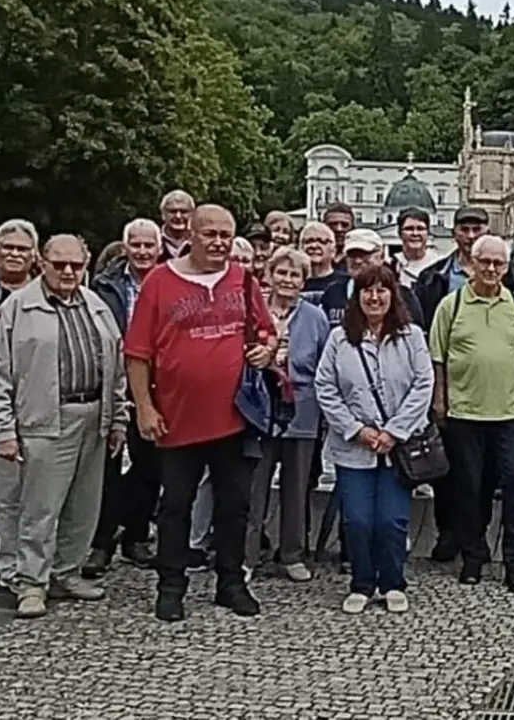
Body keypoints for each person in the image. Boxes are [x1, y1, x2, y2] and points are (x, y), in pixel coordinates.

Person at [125, 205, 275, 622]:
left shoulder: (243, 280)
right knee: (175, 506)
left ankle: (231, 582)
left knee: (235, 504)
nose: (218, 242)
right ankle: (171, 586)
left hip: (235, 418)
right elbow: (137, 354)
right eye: (209, 233)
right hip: (177, 418)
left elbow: (265, 331)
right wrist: (144, 406)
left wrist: (265, 349)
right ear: (190, 233)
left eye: (225, 234)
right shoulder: (159, 282)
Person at [0, 234, 127, 619]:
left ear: (86, 264)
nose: (67, 272)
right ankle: (31, 581)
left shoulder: (96, 305)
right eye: (59, 264)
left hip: (93, 416)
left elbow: (116, 369)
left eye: (76, 265)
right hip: (44, 419)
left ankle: (67, 571)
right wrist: (3, 429)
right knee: (40, 508)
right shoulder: (17, 308)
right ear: (42, 263)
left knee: (83, 505)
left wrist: (118, 420)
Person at [313, 264, 434, 613]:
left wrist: (395, 431)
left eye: (382, 289)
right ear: (357, 296)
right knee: (358, 519)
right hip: (355, 447)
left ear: (392, 295)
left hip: (396, 447)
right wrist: (356, 429)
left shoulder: (411, 337)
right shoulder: (340, 338)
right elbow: (326, 387)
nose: (375, 296)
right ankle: (362, 583)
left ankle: (393, 581)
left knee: (391, 520)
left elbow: (423, 384)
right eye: (367, 290)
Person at [429, 234, 514, 592]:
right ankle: (473, 558)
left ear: (507, 268)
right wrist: (440, 401)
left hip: (507, 414)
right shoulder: (452, 305)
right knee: (469, 488)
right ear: (472, 264)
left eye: (499, 264)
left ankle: (513, 562)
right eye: (485, 262)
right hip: (464, 414)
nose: (492, 269)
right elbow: (438, 359)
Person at [85, 218, 163, 577]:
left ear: (159, 248)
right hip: (114, 380)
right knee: (109, 466)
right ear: (125, 246)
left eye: (149, 245)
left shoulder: (171, 282)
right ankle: (100, 542)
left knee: (149, 466)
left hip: (157, 383)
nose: (143, 251)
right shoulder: (105, 285)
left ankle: (136, 535)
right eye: (137, 245)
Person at [247, 247, 330, 582]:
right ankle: (247, 556)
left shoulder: (316, 317)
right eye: (281, 272)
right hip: (260, 411)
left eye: (295, 274)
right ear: (269, 275)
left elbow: (325, 365)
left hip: (302, 410)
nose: (287, 280)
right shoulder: (254, 312)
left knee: (296, 487)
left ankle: (292, 554)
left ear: (303, 281)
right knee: (254, 487)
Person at [321, 229, 425, 329]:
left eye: (365, 254)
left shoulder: (403, 295)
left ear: (381, 256)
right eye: (352, 255)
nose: (358, 260)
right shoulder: (332, 292)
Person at [395, 207, 439, 290]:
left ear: (428, 233)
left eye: (420, 228)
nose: (415, 233)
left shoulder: (440, 267)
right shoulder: (392, 266)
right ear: (400, 233)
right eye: (409, 229)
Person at [158, 190, 195, 261]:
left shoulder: (199, 242)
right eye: (172, 211)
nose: (178, 216)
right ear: (163, 214)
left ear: (192, 214)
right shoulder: (154, 241)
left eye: (184, 211)